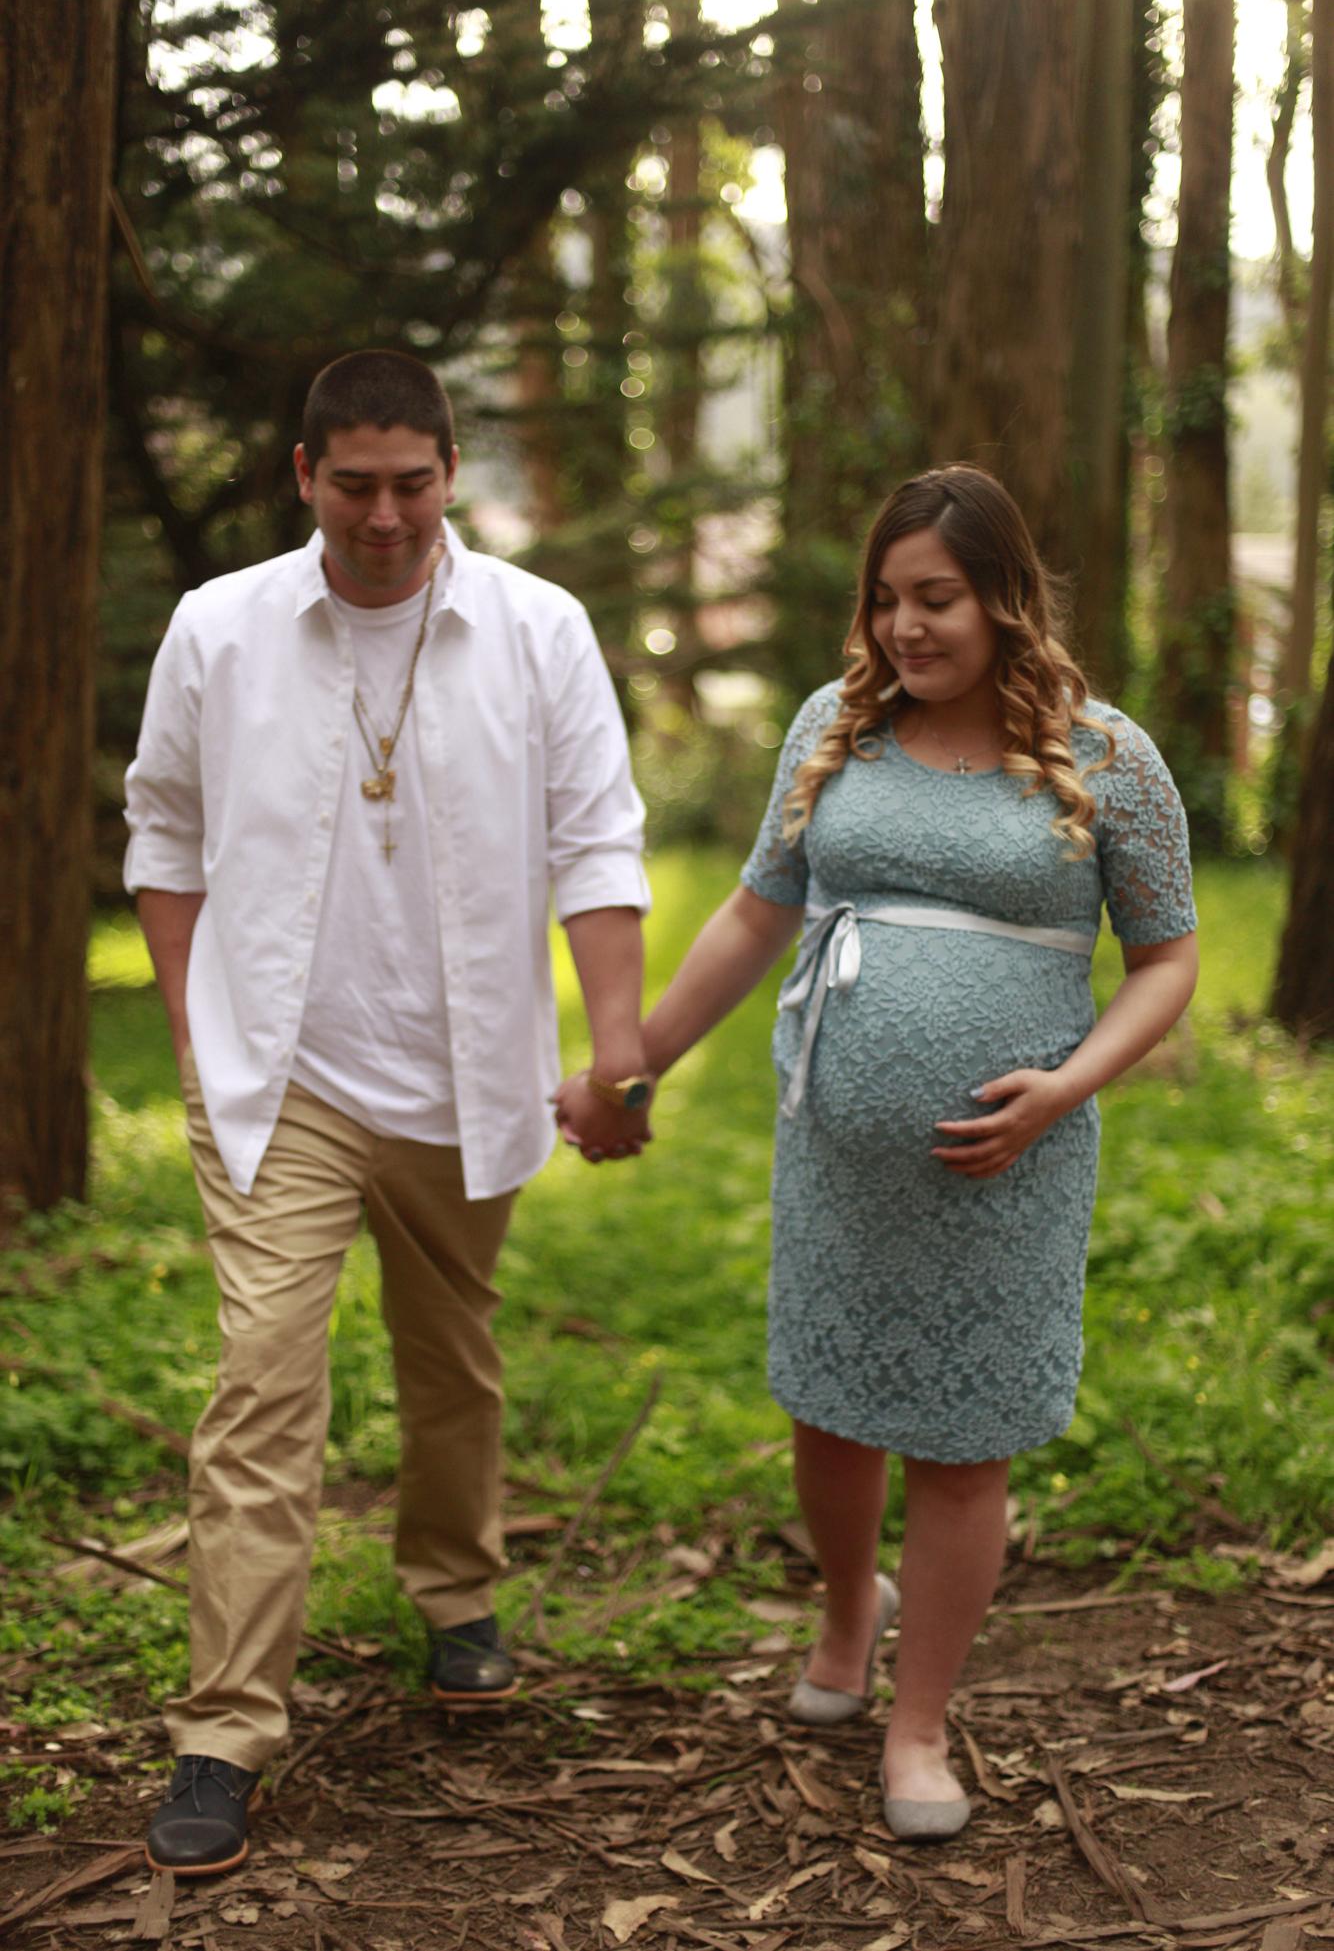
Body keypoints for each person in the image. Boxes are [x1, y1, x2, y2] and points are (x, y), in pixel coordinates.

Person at [560, 464, 1198, 1842]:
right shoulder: (834, 727)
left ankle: (918, 1724)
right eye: (888, 599)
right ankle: (849, 1613)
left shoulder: (1106, 757)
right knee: (831, 1409)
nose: (906, 626)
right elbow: (753, 915)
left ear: (1005, 599)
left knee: (965, 1440)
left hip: (1006, 1161)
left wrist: (1063, 1091)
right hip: (838, 1156)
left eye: (938, 598)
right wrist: (629, 1067)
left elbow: (1167, 960)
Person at [125, 350, 654, 1876]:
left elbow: (596, 841)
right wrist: (194, 1026)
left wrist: (616, 1047)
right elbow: (164, 829)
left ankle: (455, 1591)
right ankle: (227, 1725)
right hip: (276, 1076)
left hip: (462, 1074)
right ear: (303, 474)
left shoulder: (537, 629)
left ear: (449, 472)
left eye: (409, 484)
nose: (381, 516)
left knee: (449, 1352)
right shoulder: (219, 627)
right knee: (261, 1383)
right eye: (351, 484)